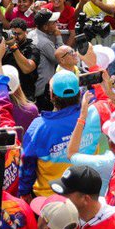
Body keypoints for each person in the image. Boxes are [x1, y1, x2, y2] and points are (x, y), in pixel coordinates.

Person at [18, 70, 101, 198]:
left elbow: (27, 165)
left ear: (51, 95)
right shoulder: (93, 114)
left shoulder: (39, 127)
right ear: (79, 93)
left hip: (51, 202)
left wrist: (24, 192)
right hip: (89, 198)